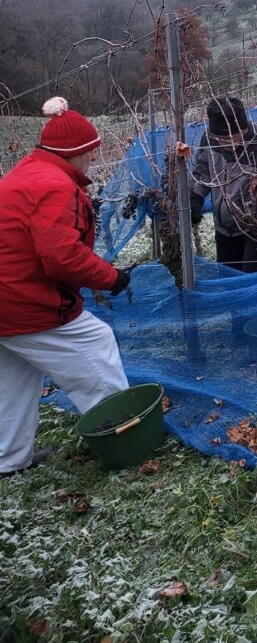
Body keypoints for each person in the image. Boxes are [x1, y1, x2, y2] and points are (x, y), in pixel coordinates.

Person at [0, 97, 131, 477]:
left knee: (14, 377)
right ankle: (122, 434)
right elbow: (61, 257)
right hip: (23, 299)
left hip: (6, 297)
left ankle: (8, 459)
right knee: (96, 343)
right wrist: (111, 277)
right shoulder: (56, 186)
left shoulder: (26, 172)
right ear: (75, 152)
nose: (93, 158)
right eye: (90, 151)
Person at [190, 96, 257, 273]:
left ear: (244, 128)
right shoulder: (209, 138)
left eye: (230, 138)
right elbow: (202, 169)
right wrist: (195, 196)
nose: (225, 145)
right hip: (224, 228)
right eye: (219, 139)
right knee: (229, 279)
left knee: (255, 278)